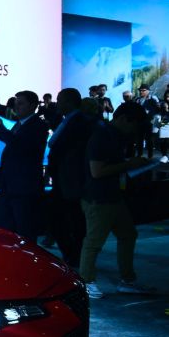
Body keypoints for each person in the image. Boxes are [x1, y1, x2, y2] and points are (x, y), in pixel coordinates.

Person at [79, 102, 153, 299]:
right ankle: (85, 281)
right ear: (122, 119)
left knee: (128, 234)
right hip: (99, 198)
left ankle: (127, 280)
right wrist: (129, 165)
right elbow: (97, 171)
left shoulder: (113, 135)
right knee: (94, 242)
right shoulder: (102, 135)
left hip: (112, 196)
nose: (134, 130)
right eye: (133, 124)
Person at [0, 90, 49, 241]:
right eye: (15, 103)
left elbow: (22, 147)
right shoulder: (18, 125)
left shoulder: (39, 126)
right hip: (9, 187)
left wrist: (0, 129)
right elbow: (9, 155)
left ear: (33, 105)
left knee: (25, 232)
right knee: (5, 230)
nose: (16, 107)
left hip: (24, 189)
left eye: (20, 103)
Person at [46, 88, 94, 269]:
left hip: (72, 181)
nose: (57, 104)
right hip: (62, 179)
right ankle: (71, 255)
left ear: (69, 102)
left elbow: (70, 151)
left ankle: (74, 256)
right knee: (60, 220)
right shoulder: (66, 120)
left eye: (60, 100)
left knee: (73, 221)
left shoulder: (80, 122)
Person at [135, 84, 160, 158]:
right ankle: (139, 155)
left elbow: (158, 108)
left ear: (148, 91)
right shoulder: (138, 99)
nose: (141, 92)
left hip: (149, 122)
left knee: (149, 139)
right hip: (140, 122)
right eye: (140, 90)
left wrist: (150, 113)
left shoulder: (153, 98)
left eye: (143, 90)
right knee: (139, 139)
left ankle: (150, 155)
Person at [159, 91, 169, 163]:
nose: (168, 98)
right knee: (163, 140)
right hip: (164, 123)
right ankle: (164, 156)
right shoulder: (163, 103)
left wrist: (167, 110)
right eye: (167, 97)